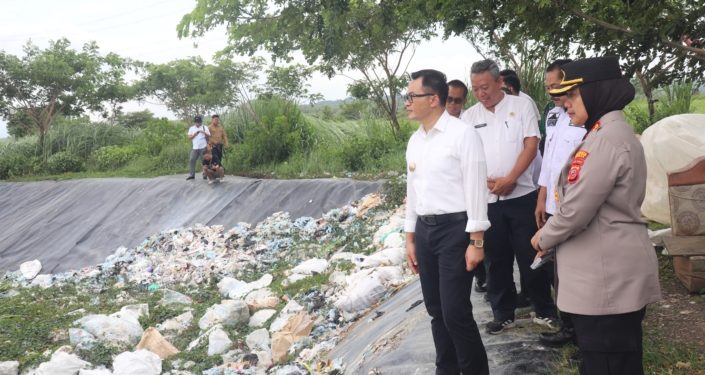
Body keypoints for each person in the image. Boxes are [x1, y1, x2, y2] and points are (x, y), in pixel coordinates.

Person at [531, 56, 661, 374]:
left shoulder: (606, 140)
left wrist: (543, 237)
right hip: (606, 276)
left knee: (609, 363)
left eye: (572, 96)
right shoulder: (604, 133)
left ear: (596, 92)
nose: (565, 104)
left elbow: (576, 210)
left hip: (607, 282)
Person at [461, 59, 557, 335]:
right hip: (488, 201)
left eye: (485, 87)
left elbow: (531, 143)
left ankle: (544, 310)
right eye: (476, 89)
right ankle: (503, 313)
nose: (481, 94)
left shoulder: (521, 105)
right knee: (495, 260)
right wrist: (489, 183)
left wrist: (511, 178)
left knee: (531, 256)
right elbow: (467, 159)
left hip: (522, 195)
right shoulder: (470, 118)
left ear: (499, 82)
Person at [404, 69, 490, 374]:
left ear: (434, 99)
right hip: (426, 232)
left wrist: (476, 242)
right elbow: (412, 192)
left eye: (412, 96)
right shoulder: (416, 141)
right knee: (436, 311)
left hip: (456, 230)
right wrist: (410, 237)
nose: (407, 102)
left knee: (455, 312)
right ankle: (447, 369)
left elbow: (476, 190)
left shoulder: (462, 134)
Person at [534, 58, 584, 347]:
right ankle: (568, 327)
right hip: (552, 204)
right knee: (559, 272)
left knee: (577, 271)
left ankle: (583, 336)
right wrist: (541, 197)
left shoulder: (585, 117)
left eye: (556, 86)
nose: (552, 92)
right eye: (548, 87)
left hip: (574, 205)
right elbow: (549, 160)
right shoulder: (553, 115)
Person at [186, 115, 210, 180]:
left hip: (203, 146)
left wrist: (203, 132)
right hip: (195, 147)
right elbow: (189, 137)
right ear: (195, 122)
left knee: (204, 161)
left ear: (201, 122)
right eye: (196, 122)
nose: (198, 123)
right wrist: (195, 134)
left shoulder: (205, 127)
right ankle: (192, 175)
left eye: (199, 122)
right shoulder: (191, 128)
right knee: (192, 159)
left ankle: (205, 174)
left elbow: (208, 136)